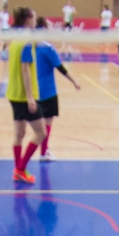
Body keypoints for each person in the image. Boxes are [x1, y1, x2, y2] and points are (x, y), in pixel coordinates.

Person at [5, 6, 46, 184]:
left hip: (12, 93)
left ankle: (17, 171)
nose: (35, 21)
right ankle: (20, 169)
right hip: (23, 96)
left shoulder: (14, 40)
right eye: (34, 18)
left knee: (19, 133)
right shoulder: (27, 41)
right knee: (41, 133)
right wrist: (30, 97)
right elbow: (25, 70)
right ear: (28, 19)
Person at [32, 15, 81, 160]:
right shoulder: (47, 47)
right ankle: (43, 151)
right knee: (47, 123)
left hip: (35, 90)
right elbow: (60, 67)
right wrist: (74, 81)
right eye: (48, 26)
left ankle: (42, 151)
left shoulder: (32, 46)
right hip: (48, 91)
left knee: (39, 125)